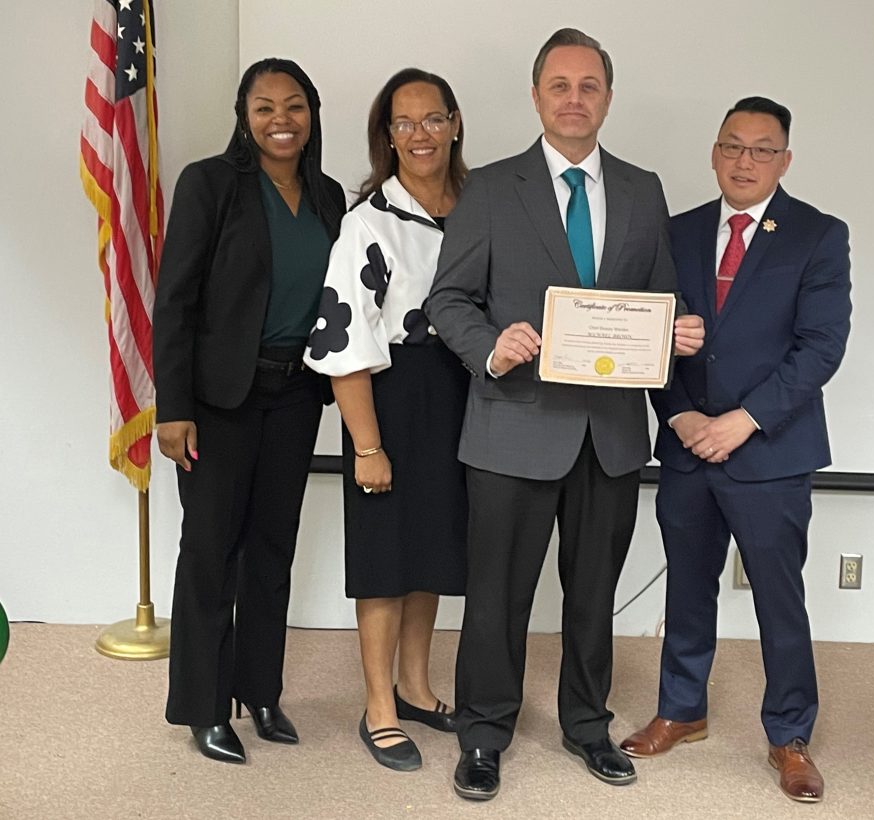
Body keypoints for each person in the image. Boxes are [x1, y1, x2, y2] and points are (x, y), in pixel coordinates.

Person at [425, 29, 705, 801]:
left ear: (608, 98)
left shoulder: (643, 188)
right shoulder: (491, 187)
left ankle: (587, 725)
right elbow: (448, 300)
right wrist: (492, 346)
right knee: (497, 598)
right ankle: (484, 734)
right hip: (512, 427)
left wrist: (675, 328)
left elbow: (660, 294)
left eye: (589, 85)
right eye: (560, 85)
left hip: (609, 436)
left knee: (592, 596)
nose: (574, 98)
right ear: (536, 96)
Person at [619, 97, 852, 804]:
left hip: (769, 453)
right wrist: (681, 414)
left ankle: (789, 735)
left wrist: (742, 422)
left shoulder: (817, 234)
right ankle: (682, 710)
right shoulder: (679, 231)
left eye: (761, 149)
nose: (745, 161)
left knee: (779, 599)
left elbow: (821, 348)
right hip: (689, 447)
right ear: (714, 153)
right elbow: (649, 334)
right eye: (732, 146)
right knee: (687, 586)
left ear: (785, 160)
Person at [153, 58, 346, 764]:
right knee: (211, 551)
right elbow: (175, 299)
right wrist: (172, 407)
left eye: (294, 106)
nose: (280, 120)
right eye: (264, 107)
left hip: (295, 394)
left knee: (272, 548)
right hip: (217, 400)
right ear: (244, 117)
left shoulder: (328, 196)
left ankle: (261, 691)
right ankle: (205, 707)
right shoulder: (209, 184)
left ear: (311, 114)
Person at [304, 68, 469, 772]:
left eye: (433, 119)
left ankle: (416, 687)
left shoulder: (481, 208)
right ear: (387, 137)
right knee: (384, 560)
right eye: (404, 123)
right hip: (390, 399)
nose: (420, 134)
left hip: (461, 398)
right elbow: (343, 340)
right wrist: (367, 446)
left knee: (431, 550)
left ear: (455, 124)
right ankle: (378, 708)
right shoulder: (367, 221)